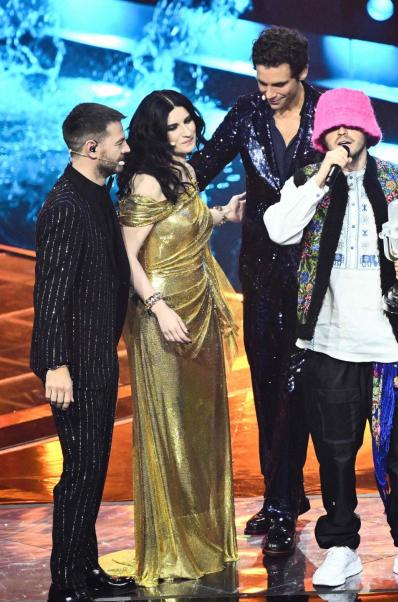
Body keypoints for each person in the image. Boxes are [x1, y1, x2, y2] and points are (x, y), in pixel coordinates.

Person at [263, 88, 398, 587]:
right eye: (332, 127)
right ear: (321, 134)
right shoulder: (307, 180)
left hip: (393, 344)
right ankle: (341, 545)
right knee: (335, 451)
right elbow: (279, 229)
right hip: (329, 342)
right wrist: (323, 173)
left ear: (369, 129)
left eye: (351, 125)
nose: (342, 134)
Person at [189, 26, 321, 554]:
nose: (268, 94)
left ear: (303, 74)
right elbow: (201, 168)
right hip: (263, 272)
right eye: (262, 83)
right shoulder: (247, 113)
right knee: (269, 386)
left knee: (304, 388)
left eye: (279, 85)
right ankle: (279, 497)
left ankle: (290, 496)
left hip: (317, 273)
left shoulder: (333, 111)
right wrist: (149, 182)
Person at [118, 90, 245, 586]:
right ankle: (171, 547)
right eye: (173, 126)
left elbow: (181, 226)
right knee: (170, 430)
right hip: (162, 317)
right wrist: (157, 307)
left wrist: (219, 215)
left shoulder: (187, 172)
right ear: (155, 133)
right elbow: (127, 256)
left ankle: (204, 539)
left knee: (201, 428)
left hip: (200, 311)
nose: (187, 130)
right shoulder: (146, 181)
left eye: (189, 120)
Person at [31, 102, 136, 602]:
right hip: (74, 364)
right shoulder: (66, 205)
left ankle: (86, 567)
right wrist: (56, 364)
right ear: (92, 148)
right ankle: (65, 580)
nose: (126, 148)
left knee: (91, 469)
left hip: (96, 355)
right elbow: (50, 291)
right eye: (119, 141)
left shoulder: (95, 193)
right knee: (78, 473)